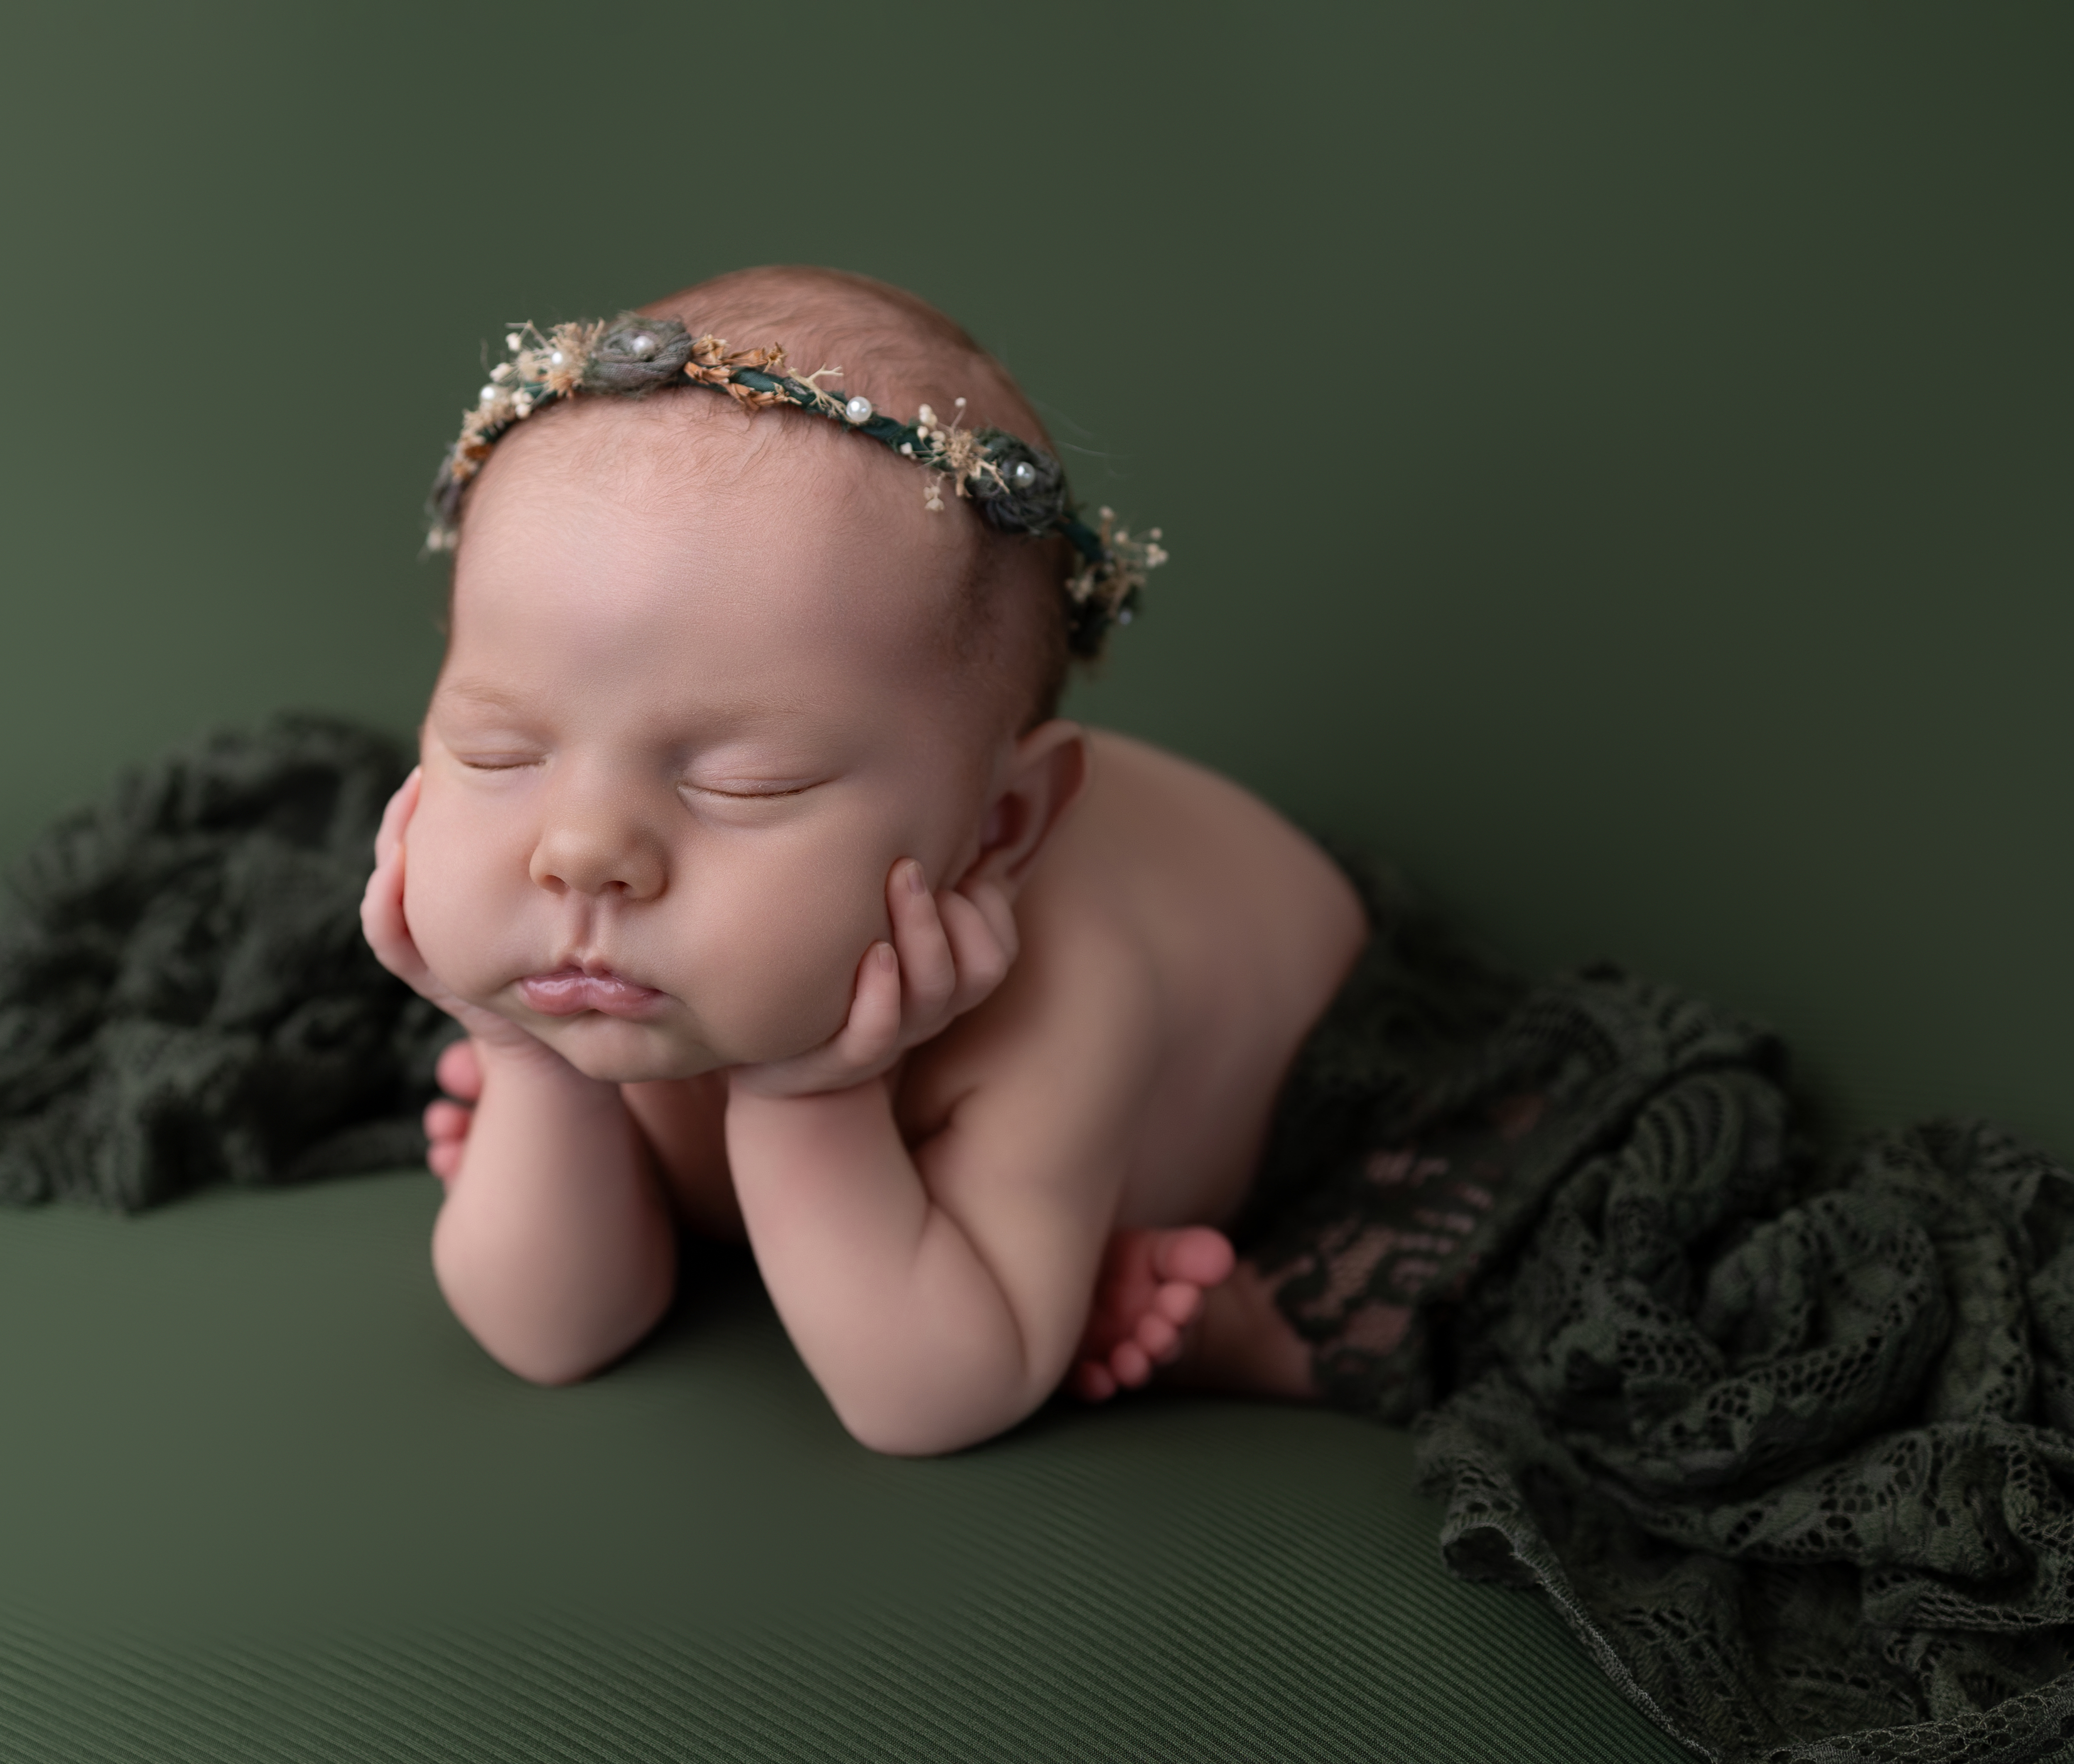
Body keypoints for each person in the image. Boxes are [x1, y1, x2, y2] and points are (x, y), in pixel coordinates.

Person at [360, 265, 1366, 1455]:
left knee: (1382, 1292)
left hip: (1314, 1061)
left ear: (994, 832)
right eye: (497, 751)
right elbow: (555, 1336)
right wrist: (528, 1064)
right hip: (769, 983)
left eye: (744, 783)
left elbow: (935, 1398)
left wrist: (813, 1098)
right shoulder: (620, 942)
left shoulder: (1060, 998)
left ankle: (1217, 1326)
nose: (579, 851)